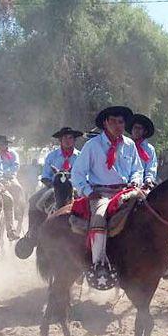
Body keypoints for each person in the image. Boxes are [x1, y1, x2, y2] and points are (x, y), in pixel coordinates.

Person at [70, 106, 142, 287]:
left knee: (152, 210)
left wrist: (135, 181)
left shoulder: (129, 144)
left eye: (121, 122)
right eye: (114, 121)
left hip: (126, 191)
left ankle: (162, 259)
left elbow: (137, 169)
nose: (118, 125)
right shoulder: (92, 146)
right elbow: (77, 173)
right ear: (105, 123)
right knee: (100, 216)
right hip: (101, 193)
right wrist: (88, 192)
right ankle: (99, 263)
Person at [0, 135, 24, 239]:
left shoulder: (13, 154)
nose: (2, 145)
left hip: (9, 178)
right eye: (0, 143)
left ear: (7, 144)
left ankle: (15, 208)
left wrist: (5, 173)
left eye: (4, 143)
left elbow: (15, 166)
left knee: (17, 188)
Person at [127, 114, 158, 187]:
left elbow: (151, 167)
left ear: (145, 132)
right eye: (135, 128)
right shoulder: (124, 146)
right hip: (124, 183)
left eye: (139, 128)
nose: (136, 130)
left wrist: (149, 179)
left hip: (142, 185)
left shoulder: (149, 149)